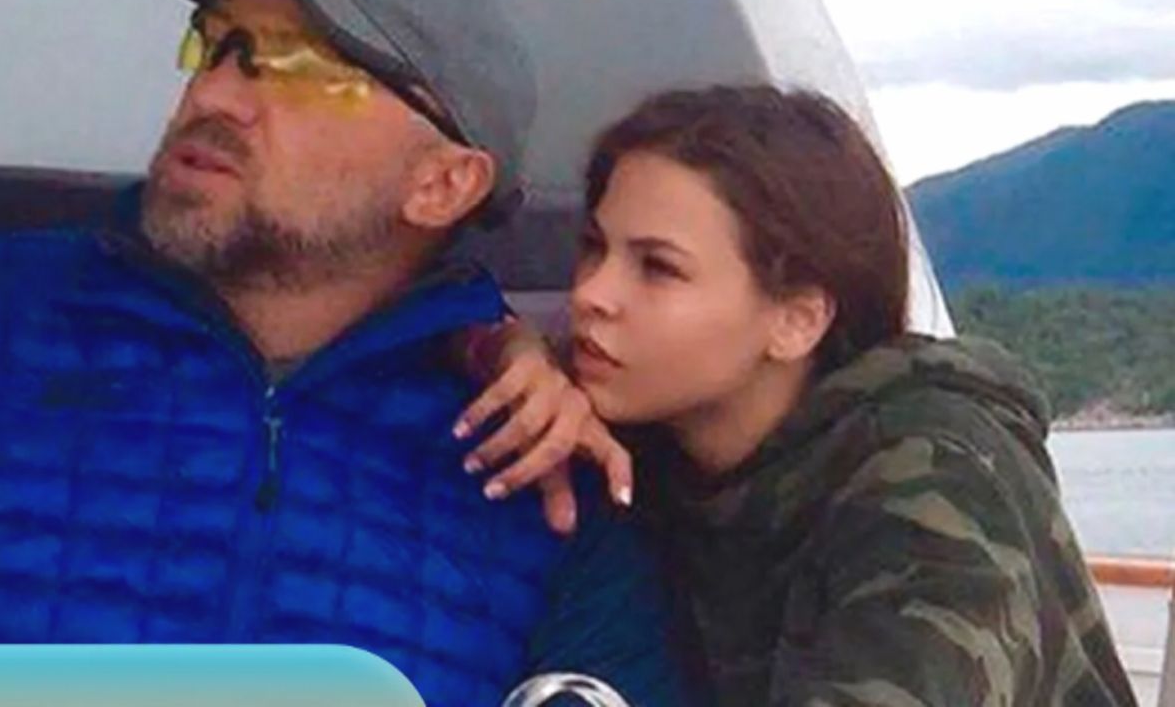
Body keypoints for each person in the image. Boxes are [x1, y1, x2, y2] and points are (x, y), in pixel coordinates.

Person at [0, 0, 679, 705]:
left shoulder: (536, 465)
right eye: (215, 46)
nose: (211, 96)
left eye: (294, 66)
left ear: (441, 184)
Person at [465, 85, 1139, 706]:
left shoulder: (934, 477)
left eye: (658, 268)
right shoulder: (644, 437)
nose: (591, 294)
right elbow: (445, 329)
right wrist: (503, 350)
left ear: (797, 320)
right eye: (594, 248)